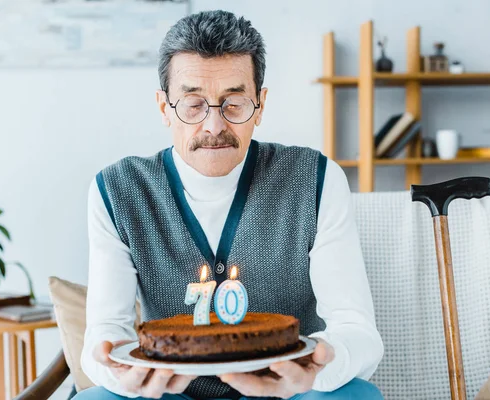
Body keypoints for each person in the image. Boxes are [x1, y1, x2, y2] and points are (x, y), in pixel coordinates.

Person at [76, 9, 384, 400]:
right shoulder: (117, 191)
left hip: (285, 393)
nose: (214, 125)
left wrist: (317, 368)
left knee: (356, 396)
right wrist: (119, 373)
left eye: (234, 103)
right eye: (193, 104)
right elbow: (104, 334)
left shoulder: (316, 178)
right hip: (170, 394)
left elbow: (357, 329)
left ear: (261, 104)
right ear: (163, 107)